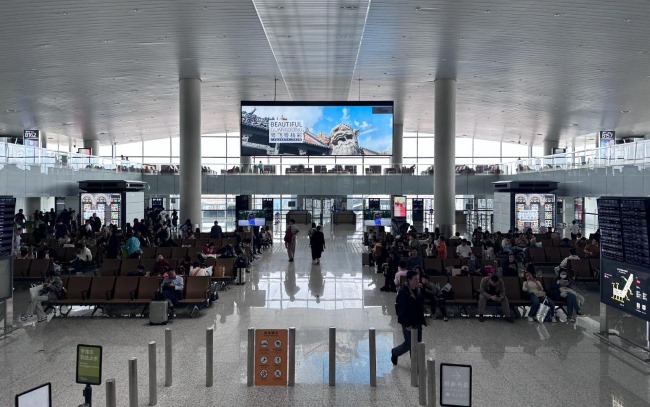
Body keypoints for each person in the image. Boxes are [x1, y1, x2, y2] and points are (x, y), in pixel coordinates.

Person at [391, 270, 426, 365]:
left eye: (418, 279)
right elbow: (401, 309)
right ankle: (395, 352)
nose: (418, 281)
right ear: (409, 280)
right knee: (409, 344)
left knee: (417, 343)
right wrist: (407, 324)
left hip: (417, 320)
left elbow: (421, 303)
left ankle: (415, 364)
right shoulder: (403, 291)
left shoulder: (418, 289)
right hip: (408, 321)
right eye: (415, 279)